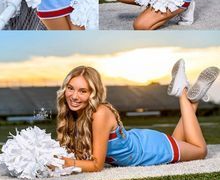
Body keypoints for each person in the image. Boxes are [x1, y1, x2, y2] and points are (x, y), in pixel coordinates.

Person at [56, 60, 219, 172]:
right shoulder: (73, 114)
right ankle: (194, 100)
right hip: (141, 141)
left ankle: (182, 91)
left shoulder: (99, 113)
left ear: (93, 93)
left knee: (200, 151)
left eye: (82, 91)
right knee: (182, 142)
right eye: (70, 88)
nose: (74, 96)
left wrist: (66, 163)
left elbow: (97, 165)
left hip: (148, 151)